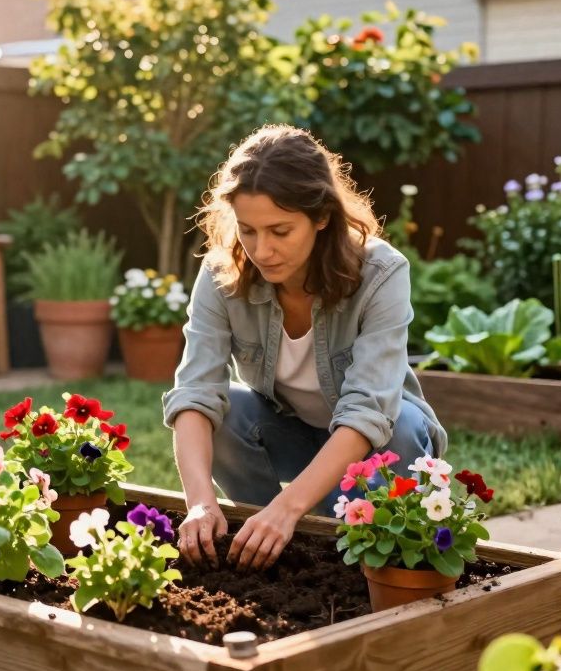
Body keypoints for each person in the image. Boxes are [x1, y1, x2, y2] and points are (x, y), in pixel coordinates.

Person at [162, 124, 446, 572]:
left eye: (280, 230)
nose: (262, 250)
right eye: (249, 230)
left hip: (371, 442)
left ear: (321, 216)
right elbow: (196, 391)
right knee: (226, 415)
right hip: (291, 431)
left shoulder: (382, 273)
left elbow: (367, 411)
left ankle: (354, 551)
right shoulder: (223, 274)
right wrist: (199, 503)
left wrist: (291, 506)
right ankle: (264, 545)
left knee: (404, 425)